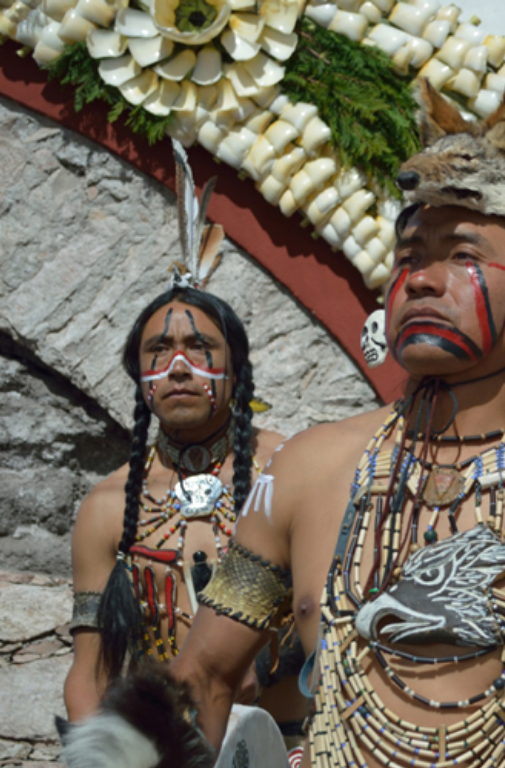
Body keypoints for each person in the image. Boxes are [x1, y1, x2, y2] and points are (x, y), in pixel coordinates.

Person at [59, 13, 505, 768]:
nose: (423, 278)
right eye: (411, 255)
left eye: (460, 254)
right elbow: (201, 677)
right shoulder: (305, 469)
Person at [62, 143, 307, 757]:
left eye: (200, 349)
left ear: (235, 371)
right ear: (139, 381)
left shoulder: (296, 472)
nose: (177, 367)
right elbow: (91, 672)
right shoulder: (107, 506)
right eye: (157, 354)